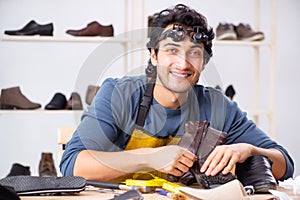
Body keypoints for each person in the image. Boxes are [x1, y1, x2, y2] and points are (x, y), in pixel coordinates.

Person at [60, 4, 294, 183]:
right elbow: (72, 164)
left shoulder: (218, 107)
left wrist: (250, 151)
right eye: (172, 50)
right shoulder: (119, 95)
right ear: (154, 55)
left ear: (204, 63)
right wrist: (150, 157)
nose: (183, 64)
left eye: (194, 53)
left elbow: (285, 165)